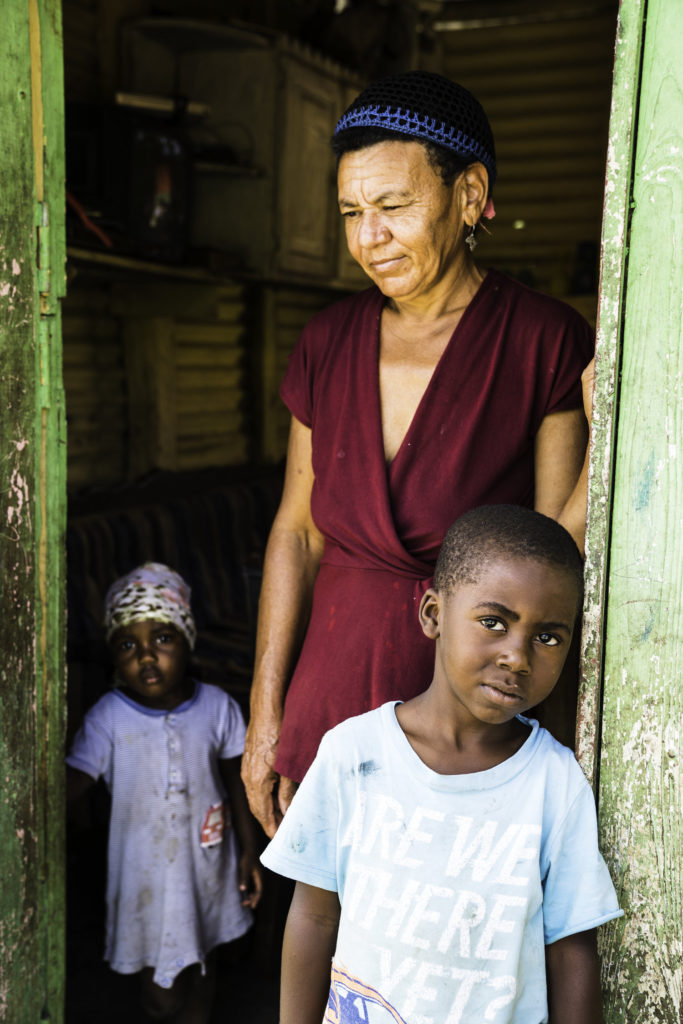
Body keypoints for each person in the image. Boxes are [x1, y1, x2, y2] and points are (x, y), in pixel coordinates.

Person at [242, 70, 595, 837]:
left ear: (469, 195)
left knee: (441, 936)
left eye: (394, 206)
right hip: (325, 701)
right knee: (323, 937)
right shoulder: (325, 343)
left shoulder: (541, 340)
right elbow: (295, 534)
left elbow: (553, 551)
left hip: (466, 713)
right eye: (350, 212)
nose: (369, 237)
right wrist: (265, 718)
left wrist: (610, 443)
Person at [261, 505, 622, 1024]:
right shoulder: (354, 753)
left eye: (547, 637)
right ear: (433, 614)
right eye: (493, 622)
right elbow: (314, 917)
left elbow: (571, 951)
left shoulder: (555, 783)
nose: (517, 657)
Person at [66, 562, 263, 1023]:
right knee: (160, 995)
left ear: (188, 640)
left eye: (163, 638)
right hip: (145, 879)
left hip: (207, 866)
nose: (147, 656)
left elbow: (238, 777)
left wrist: (250, 852)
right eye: (128, 644)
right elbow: (74, 783)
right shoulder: (108, 716)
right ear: (113, 656)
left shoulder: (216, 706)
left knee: (203, 961)